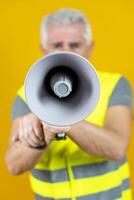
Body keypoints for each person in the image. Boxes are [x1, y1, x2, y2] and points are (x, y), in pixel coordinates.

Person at [5, 8, 133, 200]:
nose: (66, 52)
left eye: (75, 45)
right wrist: (44, 134)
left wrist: (61, 119)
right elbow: (14, 165)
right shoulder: (26, 95)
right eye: (57, 45)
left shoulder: (114, 84)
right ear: (43, 49)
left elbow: (116, 148)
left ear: (90, 47)